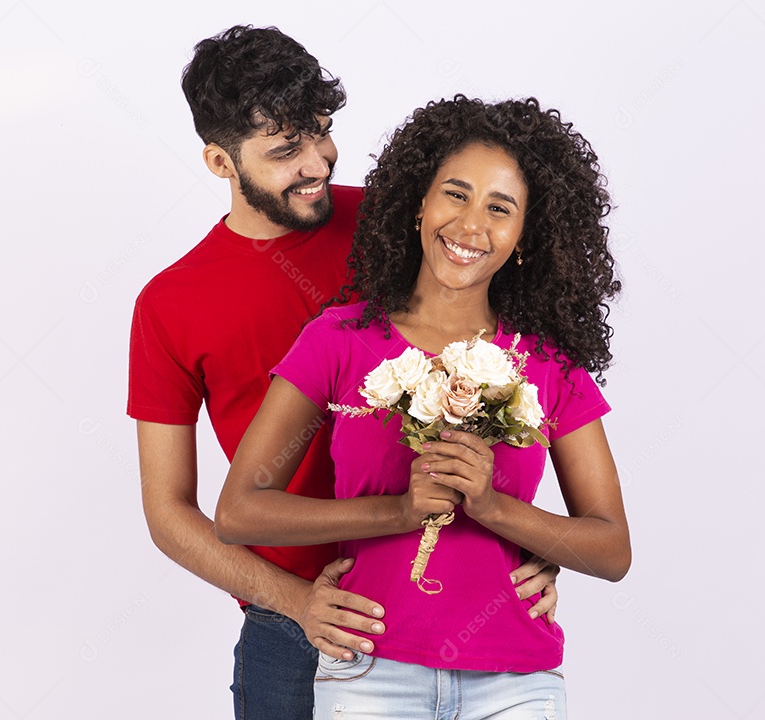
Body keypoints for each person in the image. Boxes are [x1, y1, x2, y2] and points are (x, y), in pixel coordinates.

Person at [128, 27, 560, 718]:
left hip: (450, 604)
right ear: (219, 160)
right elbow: (168, 512)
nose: (318, 162)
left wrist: (530, 537)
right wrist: (297, 602)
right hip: (289, 629)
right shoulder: (170, 304)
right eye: (284, 151)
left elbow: (516, 367)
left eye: (322, 133)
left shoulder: (399, 224)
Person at [215, 95, 632, 719]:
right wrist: (397, 511)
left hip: (516, 681)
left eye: (500, 208)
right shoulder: (340, 339)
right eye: (455, 194)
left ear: (524, 236)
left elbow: (610, 549)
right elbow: (240, 512)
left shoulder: (548, 365)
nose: (470, 226)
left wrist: (494, 508)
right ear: (418, 205)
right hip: (370, 672)